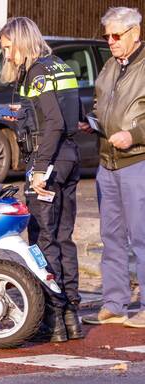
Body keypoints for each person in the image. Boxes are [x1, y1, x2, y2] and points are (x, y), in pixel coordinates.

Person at [0, 17, 83, 342]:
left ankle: (53, 319)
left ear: (20, 42)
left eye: (8, 47)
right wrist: (21, 116)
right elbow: (72, 116)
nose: (7, 55)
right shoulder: (60, 65)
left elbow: (54, 122)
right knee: (64, 239)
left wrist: (38, 170)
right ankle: (72, 316)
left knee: (42, 240)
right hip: (70, 160)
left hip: (47, 163)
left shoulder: (36, 72)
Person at [83, 7, 145, 329]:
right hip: (107, 163)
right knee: (112, 237)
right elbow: (99, 104)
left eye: (117, 35)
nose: (111, 41)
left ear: (135, 33)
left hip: (137, 163)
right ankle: (114, 304)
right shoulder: (109, 66)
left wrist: (133, 135)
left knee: (142, 237)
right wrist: (92, 122)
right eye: (107, 35)